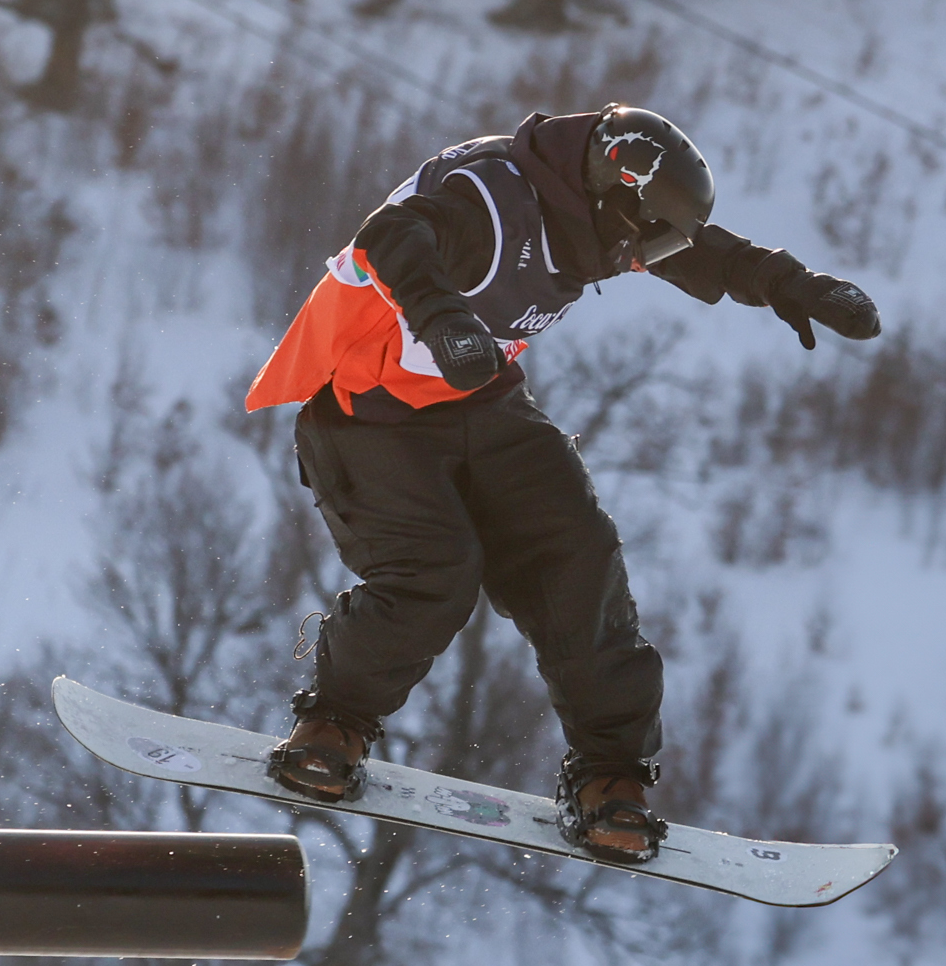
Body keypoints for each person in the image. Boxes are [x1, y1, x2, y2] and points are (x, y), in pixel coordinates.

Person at [245, 105, 880, 861]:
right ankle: (334, 724)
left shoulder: (593, 216)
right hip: (367, 416)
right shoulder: (488, 200)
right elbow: (394, 234)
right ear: (614, 203)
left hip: (482, 404)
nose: (644, 258)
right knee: (435, 573)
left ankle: (610, 775)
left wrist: (792, 285)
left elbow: (700, 249)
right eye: (647, 240)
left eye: (656, 245)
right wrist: (442, 316)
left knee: (578, 560)